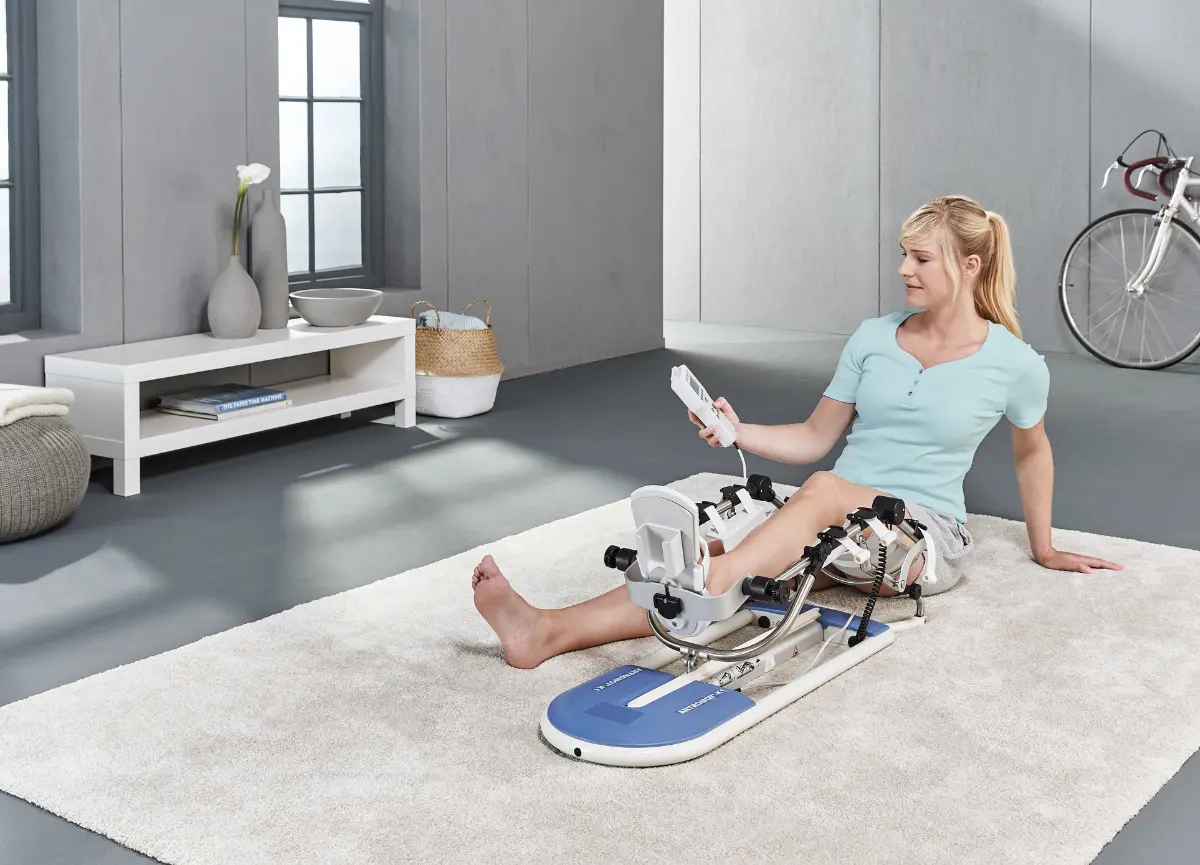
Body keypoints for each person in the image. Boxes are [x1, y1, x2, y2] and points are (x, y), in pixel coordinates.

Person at [470, 195, 1123, 669]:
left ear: (972, 265)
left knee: (816, 495)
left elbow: (1032, 451)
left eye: (922, 258)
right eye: (903, 254)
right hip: (831, 516)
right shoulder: (873, 338)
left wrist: (1045, 547)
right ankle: (547, 631)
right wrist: (736, 430)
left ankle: (716, 575)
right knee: (734, 519)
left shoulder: (1013, 362)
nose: (903, 268)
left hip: (921, 537)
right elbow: (816, 433)